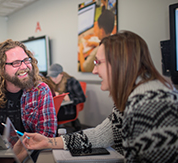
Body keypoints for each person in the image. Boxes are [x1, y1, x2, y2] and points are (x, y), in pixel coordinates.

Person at [22, 31, 178, 163]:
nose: (94, 71)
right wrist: (48, 142)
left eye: (98, 62)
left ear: (119, 63)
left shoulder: (148, 105)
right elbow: (102, 135)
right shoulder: (131, 97)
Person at [47, 63, 86, 131]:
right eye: (51, 77)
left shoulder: (72, 82)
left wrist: (70, 98)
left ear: (62, 74)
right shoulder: (51, 82)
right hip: (57, 109)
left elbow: (82, 98)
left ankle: (54, 137)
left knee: (49, 117)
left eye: (55, 76)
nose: (53, 79)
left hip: (68, 110)